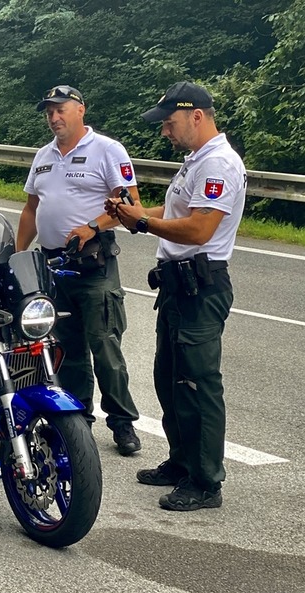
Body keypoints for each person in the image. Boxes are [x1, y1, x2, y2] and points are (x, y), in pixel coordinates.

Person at [109, 81, 245, 511]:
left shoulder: (219, 163)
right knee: (171, 379)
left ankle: (206, 483)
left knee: (197, 384)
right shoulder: (195, 161)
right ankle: (182, 460)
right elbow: (174, 213)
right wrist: (130, 214)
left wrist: (143, 224)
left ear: (197, 116)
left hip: (199, 286)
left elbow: (200, 228)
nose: (165, 132)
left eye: (170, 123)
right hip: (176, 284)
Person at [17, 84, 143, 456]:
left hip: (93, 263)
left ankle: (122, 423)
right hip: (54, 266)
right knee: (67, 348)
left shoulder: (107, 150)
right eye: (49, 112)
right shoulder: (42, 156)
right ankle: (79, 420)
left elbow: (130, 203)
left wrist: (93, 226)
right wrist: (16, 254)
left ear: (80, 110)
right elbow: (30, 209)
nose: (54, 117)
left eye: (61, 110)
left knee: (105, 346)